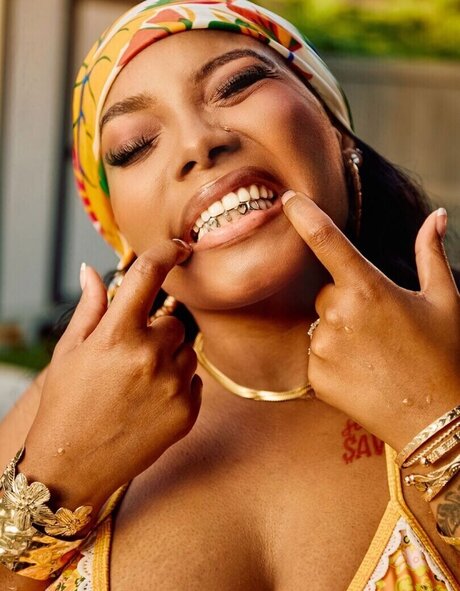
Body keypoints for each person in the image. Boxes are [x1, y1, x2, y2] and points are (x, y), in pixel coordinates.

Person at [0, 1, 459, 589]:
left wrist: (439, 423)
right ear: (121, 232)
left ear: (338, 133)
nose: (198, 143)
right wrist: (59, 484)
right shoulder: (68, 410)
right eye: (135, 145)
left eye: (236, 85)